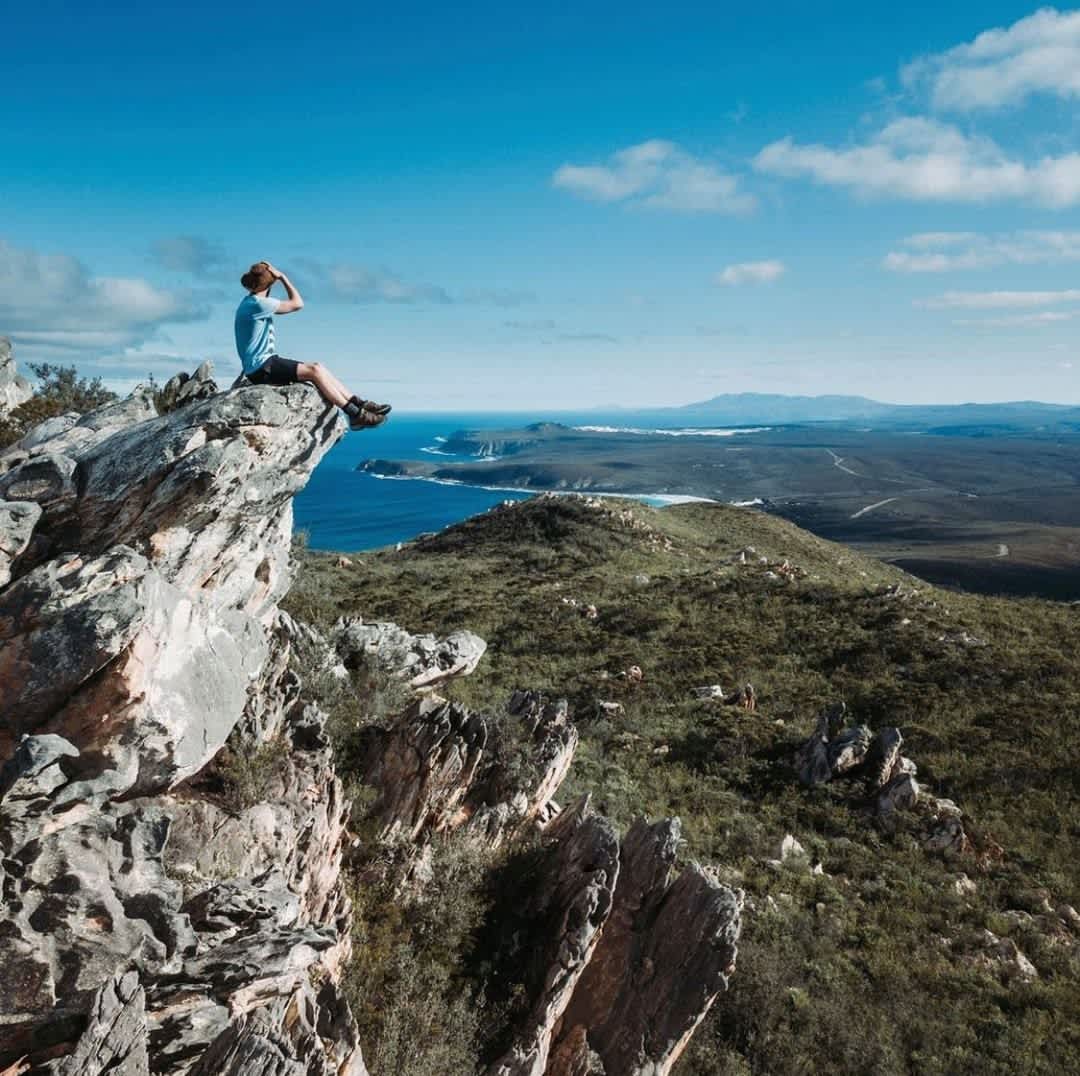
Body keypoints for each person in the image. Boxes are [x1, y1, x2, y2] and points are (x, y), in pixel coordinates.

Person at [234, 261, 391, 430]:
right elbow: (297, 303)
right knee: (314, 372)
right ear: (271, 283)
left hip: (265, 364)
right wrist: (284, 277)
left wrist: (276, 278)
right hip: (262, 368)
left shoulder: (250, 301)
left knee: (318, 366)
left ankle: (360, 403)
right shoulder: (258, 304)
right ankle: (355, 414)